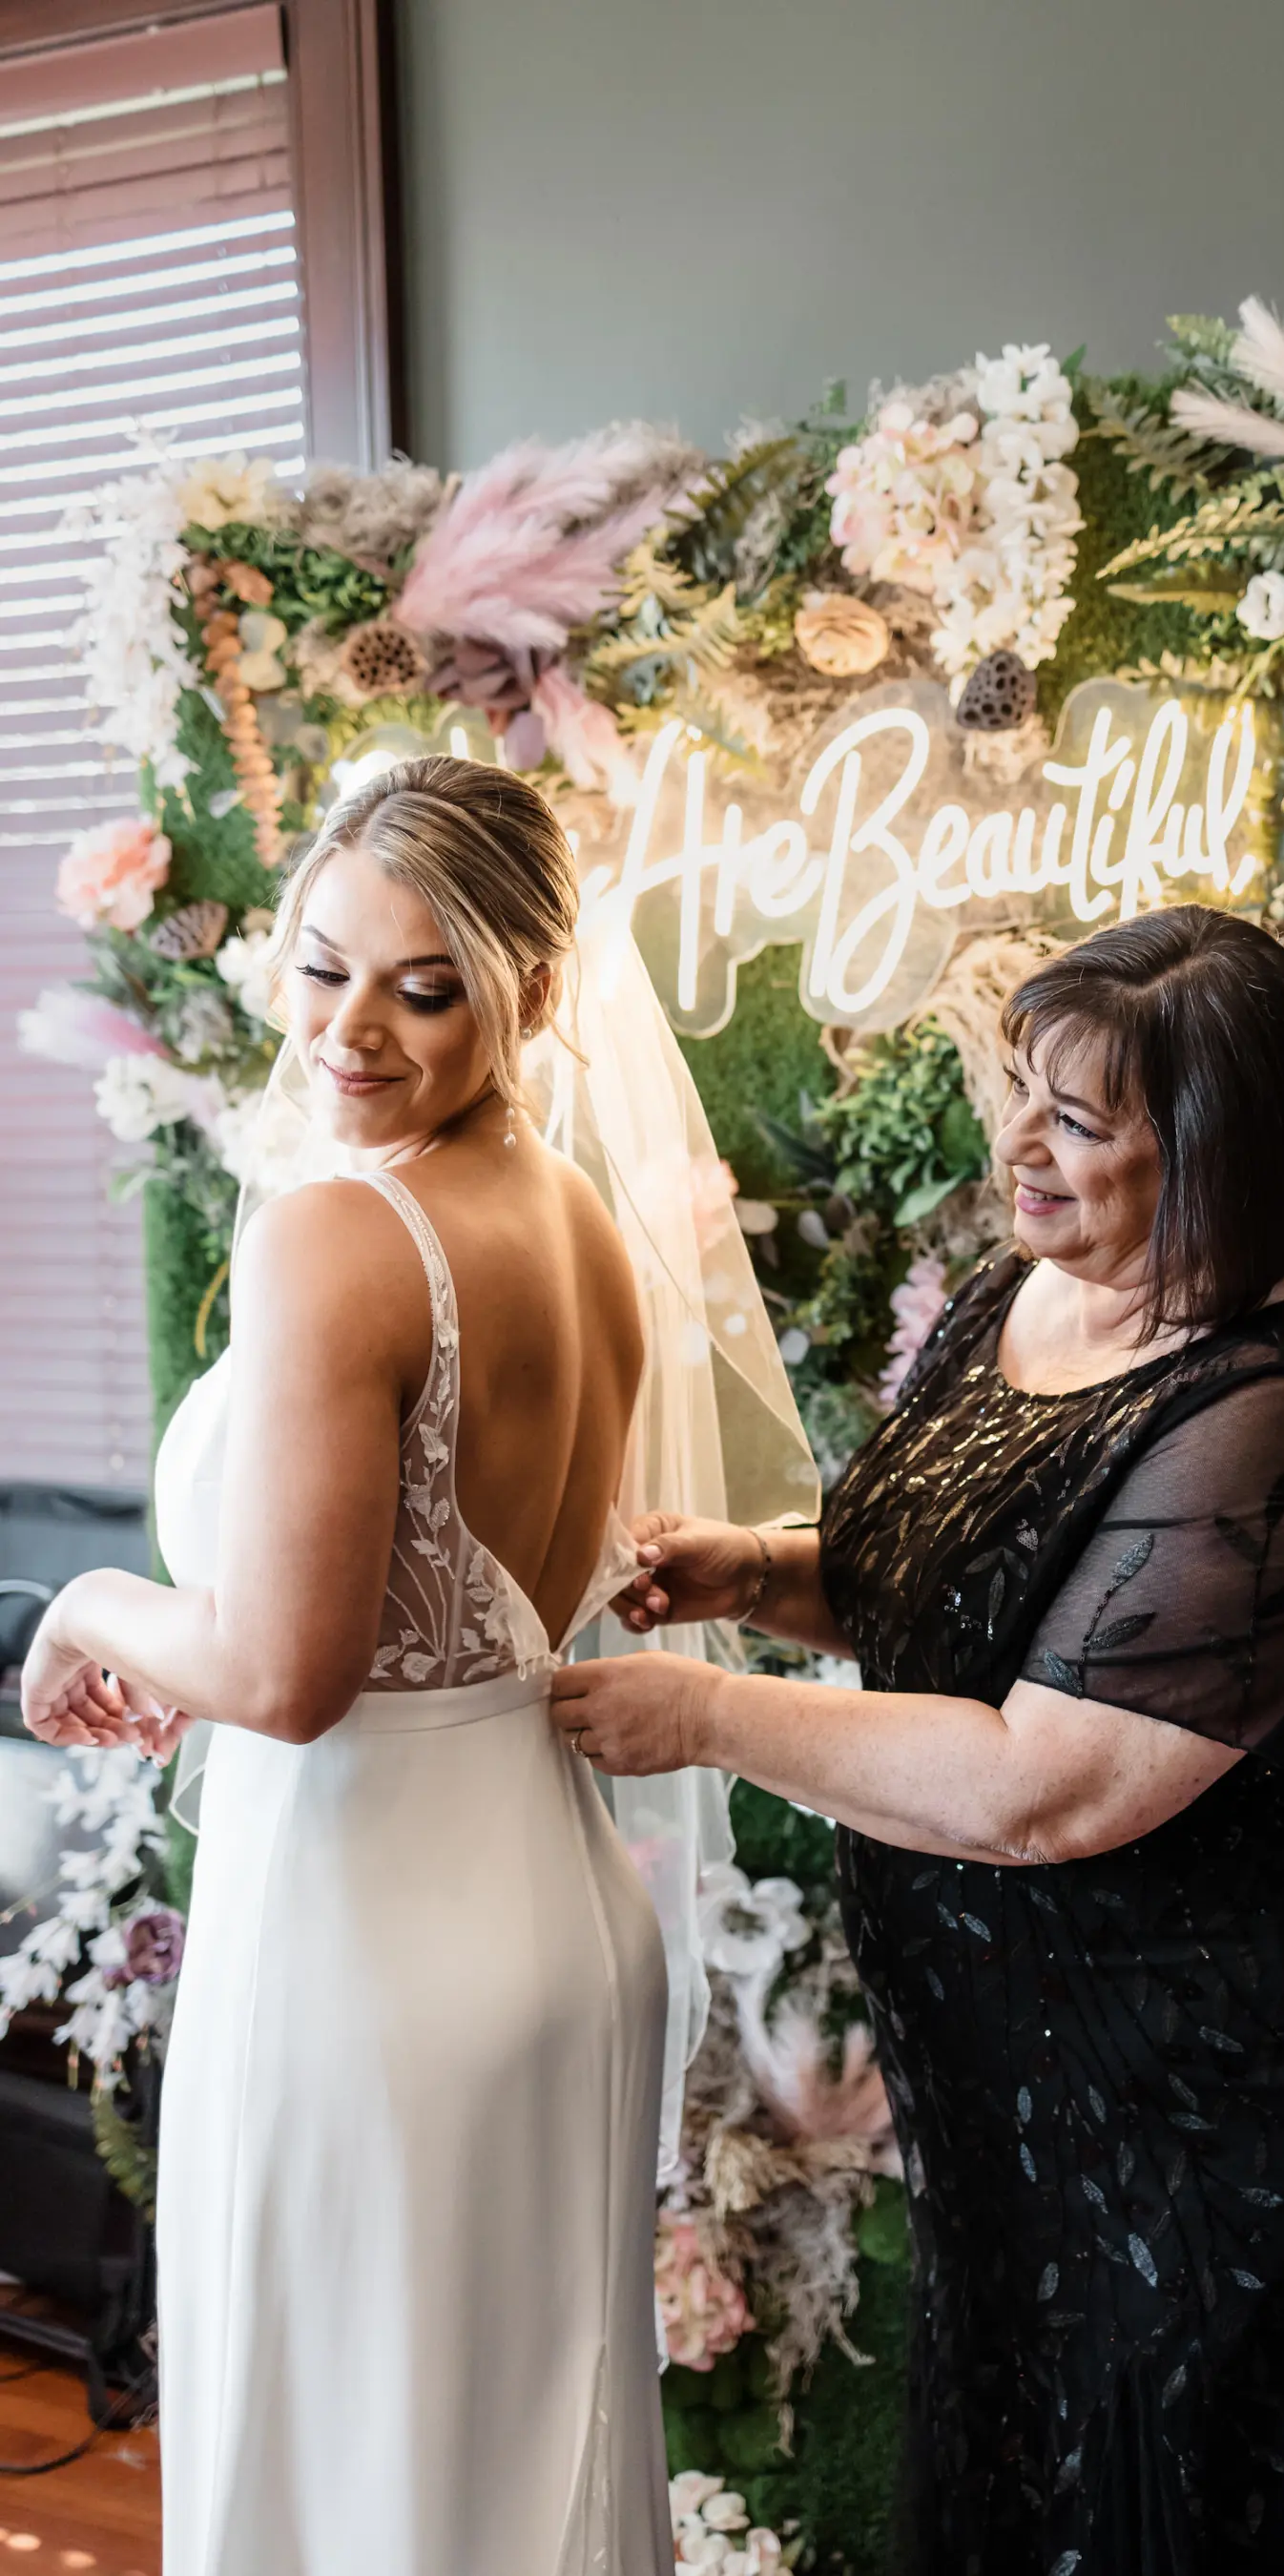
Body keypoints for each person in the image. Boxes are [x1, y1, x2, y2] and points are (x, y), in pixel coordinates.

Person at [556, 907, 1284, 2575]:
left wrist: (713, 1712)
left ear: (1219, 1154)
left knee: (1200, 2485)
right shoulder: (1042, 1284)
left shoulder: (1268, 1422)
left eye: (1078, 1122)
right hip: (1044, 2075)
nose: (1017, 1148)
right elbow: (986, 1589)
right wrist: (767, 1574)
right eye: (1022, 1091)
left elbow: (1044, 1782)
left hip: (1235, 2077)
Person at [23, 759, 690, 2576]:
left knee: (351, 2489)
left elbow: (292, 1674)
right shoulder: (588, 1234)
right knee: (507, 2489)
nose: (354, 1030)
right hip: (553, 1922)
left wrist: (83, 1608)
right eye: (324, 967)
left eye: (427, 985)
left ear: (532, 994)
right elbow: (443, 1611)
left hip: (367, 1943)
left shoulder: (337, 1235)